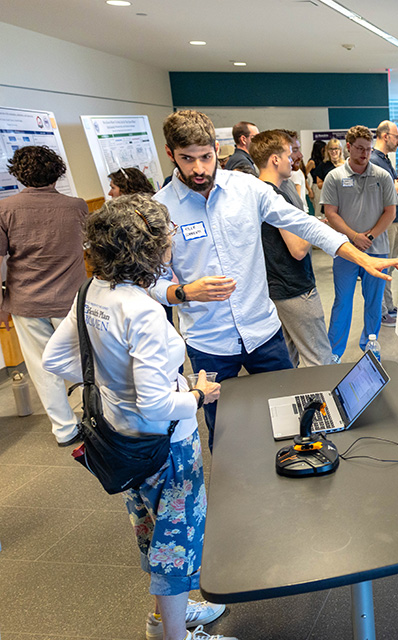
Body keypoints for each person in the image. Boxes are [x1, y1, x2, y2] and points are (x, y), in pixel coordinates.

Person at [150, 110, 398, 448]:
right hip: (210, 343)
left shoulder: (247, 188)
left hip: (263, 333)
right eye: (187, 159)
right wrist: (183, 292)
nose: (199, 169)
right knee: (224, 429)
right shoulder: (160, 209)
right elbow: (150, 281)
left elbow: (302, 223)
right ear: (171, 154)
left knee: (288, 417)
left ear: (217, 148)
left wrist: (358, 255)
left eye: (206, 157)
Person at [41, 194, 230, 640]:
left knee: (151, 528)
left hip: (122, 437)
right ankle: (174, 635)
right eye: (167, 235)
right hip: (166, 443)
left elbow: (55, 359)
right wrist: (197, 396)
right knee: (177, 545)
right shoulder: (142, 310)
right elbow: (157, 404)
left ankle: (165, 617)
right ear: (149, 247)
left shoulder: (93, 291)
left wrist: (113, 386)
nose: (172, 242)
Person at [0, 145, 87, 445]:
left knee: (41, 365)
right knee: (81, 359)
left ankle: (64, 429)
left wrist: (1, 307)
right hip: (72, 300)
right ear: (56, 172)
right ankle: (95, 416)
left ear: (19, 174)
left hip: (26, 302)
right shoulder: (77, 207)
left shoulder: (5, 209)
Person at [250, 129, 334, 368]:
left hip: (274, 288)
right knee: (318, 358)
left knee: (288, 359)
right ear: (275, 159)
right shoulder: (275, 197)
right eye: (289, 153)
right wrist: (311, 226)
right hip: (295, 288)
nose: (293, 159)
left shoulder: (256, 192)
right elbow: (297, 249)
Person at [321, 124, 398, 359]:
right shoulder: (335, 177)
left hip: (377, 250)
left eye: (368, 148)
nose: (365, 153)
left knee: (374, 303)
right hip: (345, 251)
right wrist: (354, 237)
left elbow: (390, 212)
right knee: (342, 302)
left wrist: (370, 236)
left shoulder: (382, 176)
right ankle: (334, 352)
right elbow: (331, 213)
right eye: (359, 148)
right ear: (348, 147)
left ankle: (369, 346)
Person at [369, 121, 398, 327]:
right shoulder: (374, 160)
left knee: (390, 268)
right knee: (383, 268)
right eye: (396, 136)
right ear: (385, 136)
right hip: (387, 222)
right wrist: (396, 188)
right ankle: (382, 312)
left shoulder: (385, 160)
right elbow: (375, 193)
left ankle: (389, 306)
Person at [307, 138, 344, 216]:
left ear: (340, 149)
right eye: (331, 149)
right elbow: (319, 185)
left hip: (344, 201)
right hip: (330, 200)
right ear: (327, 151)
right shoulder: (323, 166)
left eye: (336, 148)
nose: (334, 151)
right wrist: (331, 182)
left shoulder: (346, 164)